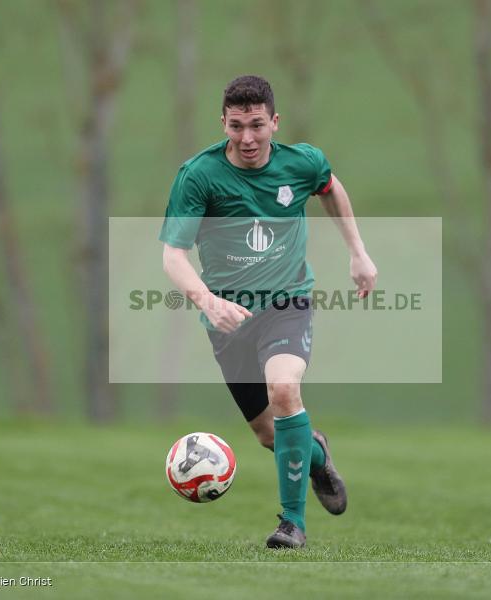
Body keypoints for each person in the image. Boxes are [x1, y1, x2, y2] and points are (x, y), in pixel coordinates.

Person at [159, 75, 377, 548]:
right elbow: (172, 255)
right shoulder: (199, 176)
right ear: (223, 123)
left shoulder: (303, 162)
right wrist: (209, 302)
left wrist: (358, 252)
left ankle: (291, 524)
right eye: (236, 126)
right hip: (228, 320)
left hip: (288, 304)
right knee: (269, 436)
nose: (248, 138)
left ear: (275, 122)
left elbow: (330, 187)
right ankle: (315, 456)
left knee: (284, 390)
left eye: (257, 125)